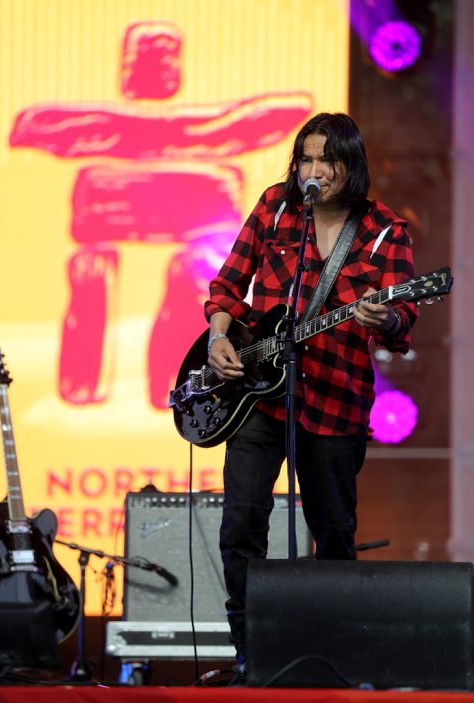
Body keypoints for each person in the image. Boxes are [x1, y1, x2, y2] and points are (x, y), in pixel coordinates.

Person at [203, 112, 418, 673]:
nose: (314, 170)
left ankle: (333, 653)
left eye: (327, 159)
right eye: (307, 158)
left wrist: (386, 319)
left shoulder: (384, 230)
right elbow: (228, 285)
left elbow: (404, 317)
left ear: (351, 164)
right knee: (242, 519)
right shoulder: (276, 206)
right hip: (255, 396)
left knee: (333, 532)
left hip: (336, 397)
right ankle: (251, 649)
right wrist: (218, 339)